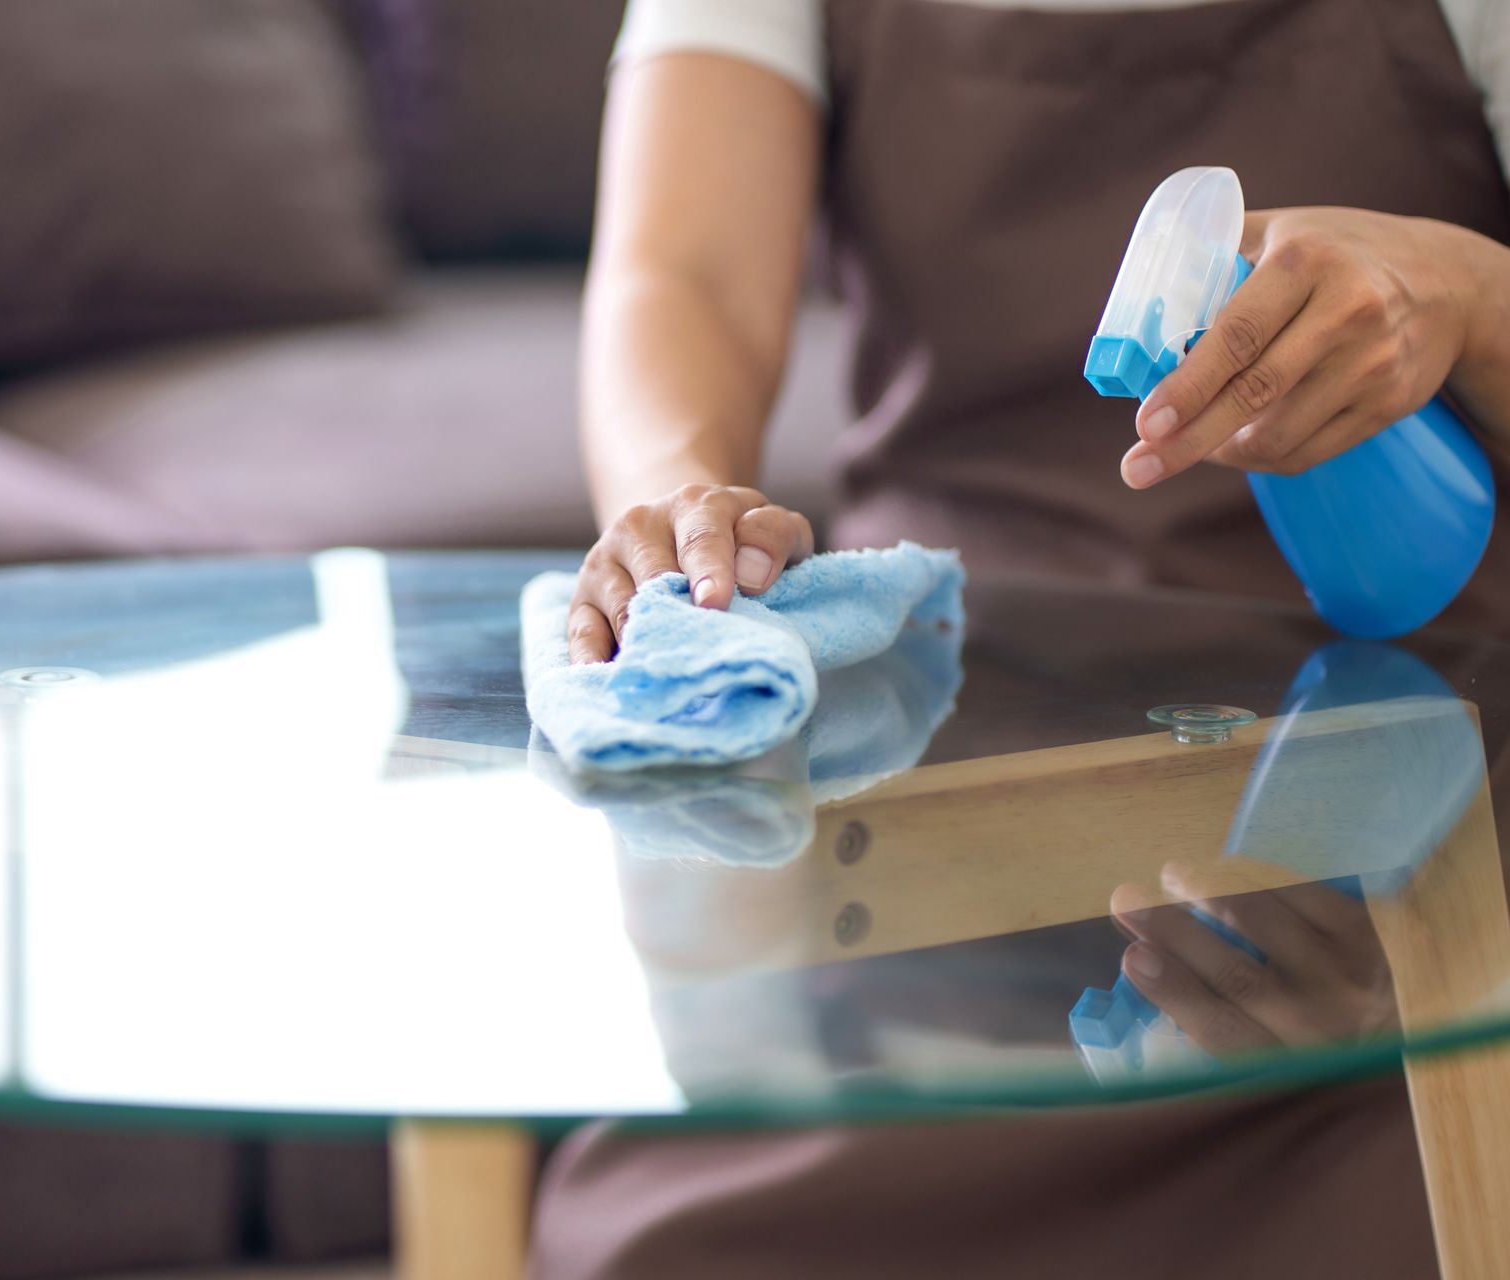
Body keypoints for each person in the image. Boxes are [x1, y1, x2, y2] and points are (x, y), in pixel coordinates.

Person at [538, 0, 1510, 1275]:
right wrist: (673, 499)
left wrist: (1469, 294)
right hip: (939, 769)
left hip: (1407, 774)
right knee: (662, 1241)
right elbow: (685, 275)